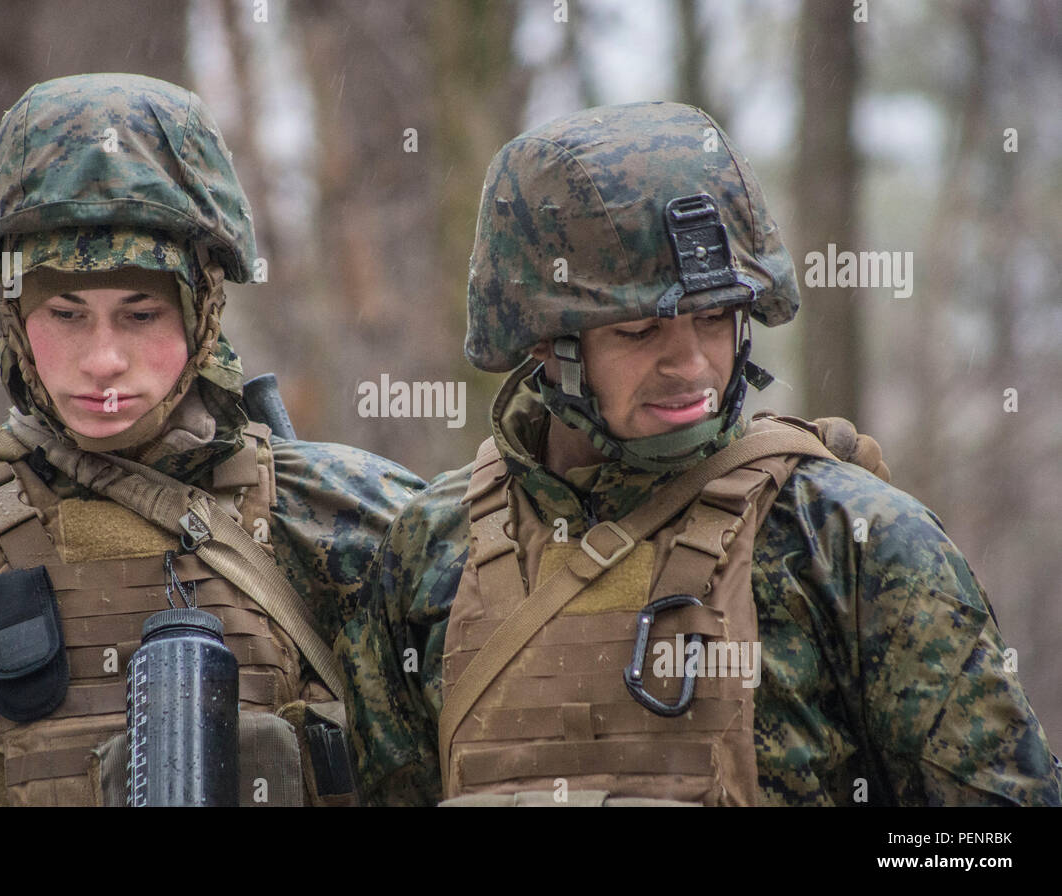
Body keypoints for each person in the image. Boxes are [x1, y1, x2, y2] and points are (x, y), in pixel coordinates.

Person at [338, 101, 1061, 806]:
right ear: (543, 342)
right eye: (638, 332)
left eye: (715, 318)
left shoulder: (851, 540)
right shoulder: (430, 550)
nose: (692, 365)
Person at [0, 73, 423, 807]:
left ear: (203, 311)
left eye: (140, 314)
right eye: (67, 315)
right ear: (15, 317)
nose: (103, 360)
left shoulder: (349, 521)